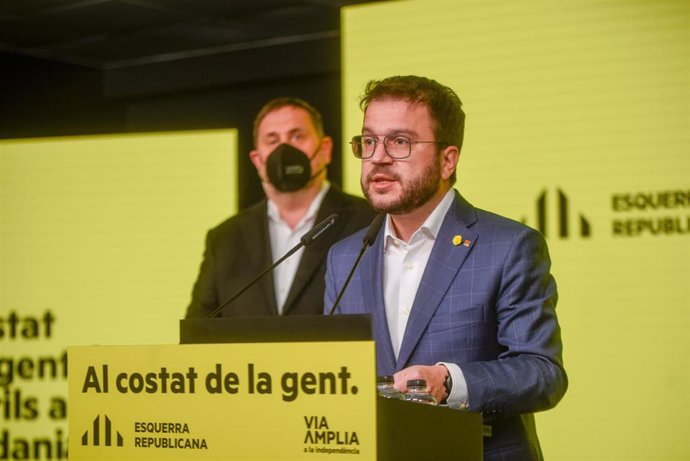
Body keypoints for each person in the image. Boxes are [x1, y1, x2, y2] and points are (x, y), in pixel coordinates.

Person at [325, 76, 567, 460]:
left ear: (448, 159)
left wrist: (450, 381)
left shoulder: (509, 246)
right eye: (369, 141)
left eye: (400, 142)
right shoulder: (344, 257)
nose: (378, 157)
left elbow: (542, 373)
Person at [186, 97, 376, 318]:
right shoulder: (225, 239)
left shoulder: (370, 222)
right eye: (272, 140)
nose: (285, 149)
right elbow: (197, 334)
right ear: (257, 160)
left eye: (297, 136)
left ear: (325, 149)